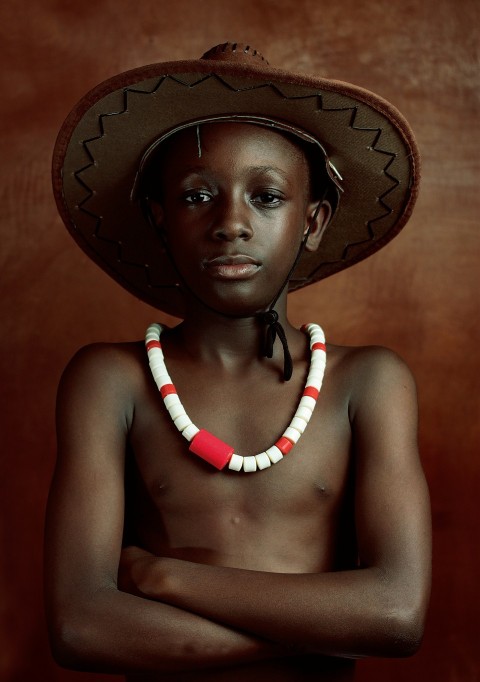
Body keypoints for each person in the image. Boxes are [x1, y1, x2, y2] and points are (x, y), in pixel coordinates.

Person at [44, 42, 431, 681]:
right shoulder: (110, 381)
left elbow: (395, 614)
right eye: (198, 197)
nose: (231, 223)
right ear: (159, 217)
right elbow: (80, 626)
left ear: (314, 221)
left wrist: (163, 576)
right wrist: (327, 629)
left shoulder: (369, 382)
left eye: (267, 197)